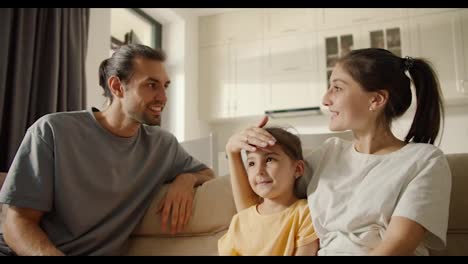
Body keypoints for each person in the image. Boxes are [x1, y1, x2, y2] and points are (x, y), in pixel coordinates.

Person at [228, 48, 451, 256]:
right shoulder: (328, 154)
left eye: (337, 87)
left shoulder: (424, 161)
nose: (325, 100)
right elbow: (256, 218)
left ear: (376, 99)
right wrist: (233, 153)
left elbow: (397, 246)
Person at [0, 44, 214, 256]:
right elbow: (17, 223)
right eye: (151, 85)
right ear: (117, 86)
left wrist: (185, 180)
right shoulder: (53, 131)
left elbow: (207, 173)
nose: (163, 97)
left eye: (165, 86)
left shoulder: (162, 146)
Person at [218, 127, 318, 256]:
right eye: (252, 163)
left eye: (269, 159)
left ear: (298, 169)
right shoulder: (240, 220)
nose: (259, 171)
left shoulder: (305, 214)